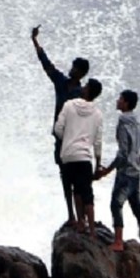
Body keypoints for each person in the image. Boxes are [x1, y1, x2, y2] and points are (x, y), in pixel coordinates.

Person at [31, 25, 90, 226]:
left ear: (81, 72)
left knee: (76, 180)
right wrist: (35, 41)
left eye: (74, 67)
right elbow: (46, 64)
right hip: (60, 137)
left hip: (74, 139)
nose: (70, 69)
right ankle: (71, 215)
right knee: (64, 176)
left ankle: (80, 217)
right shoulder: (62, 83)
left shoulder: (82, 94)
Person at [95, 90, 140, 255]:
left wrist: (107, 170)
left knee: (116, 204)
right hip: (136, 172)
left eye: (120, 99)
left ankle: (118, 242)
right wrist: (138, 162)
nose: (117, 101)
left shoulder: (123, 122)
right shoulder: (138, 123)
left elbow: (122, 153)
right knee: (138, 208)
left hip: (125, 173)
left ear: (126, 103)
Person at [54, 79, 103, 238]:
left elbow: (57, 129)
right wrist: (98, 164)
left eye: (85, 86)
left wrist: (67, 138)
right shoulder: (97, 113)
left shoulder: (69, 105)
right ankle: (92, 231)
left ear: (88, 91)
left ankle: (80, 223)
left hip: (68, 155)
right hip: (84, 157)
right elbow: (97, 141)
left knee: (75, 190)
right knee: (87, 193)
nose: (82, 87)